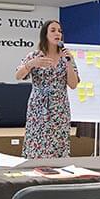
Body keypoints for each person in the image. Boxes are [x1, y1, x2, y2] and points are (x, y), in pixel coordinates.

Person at [15, 20, 80, 159]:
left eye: (60, 31)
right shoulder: (34, 56)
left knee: (58, 142)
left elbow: (73, 85)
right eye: (53, 30)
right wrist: (31, 64)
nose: (58, 33)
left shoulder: (66, 57)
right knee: (37, 142)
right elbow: (18, 76)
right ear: (45, 34)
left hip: (59, 108)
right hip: (38, 107)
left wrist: (69, 62)